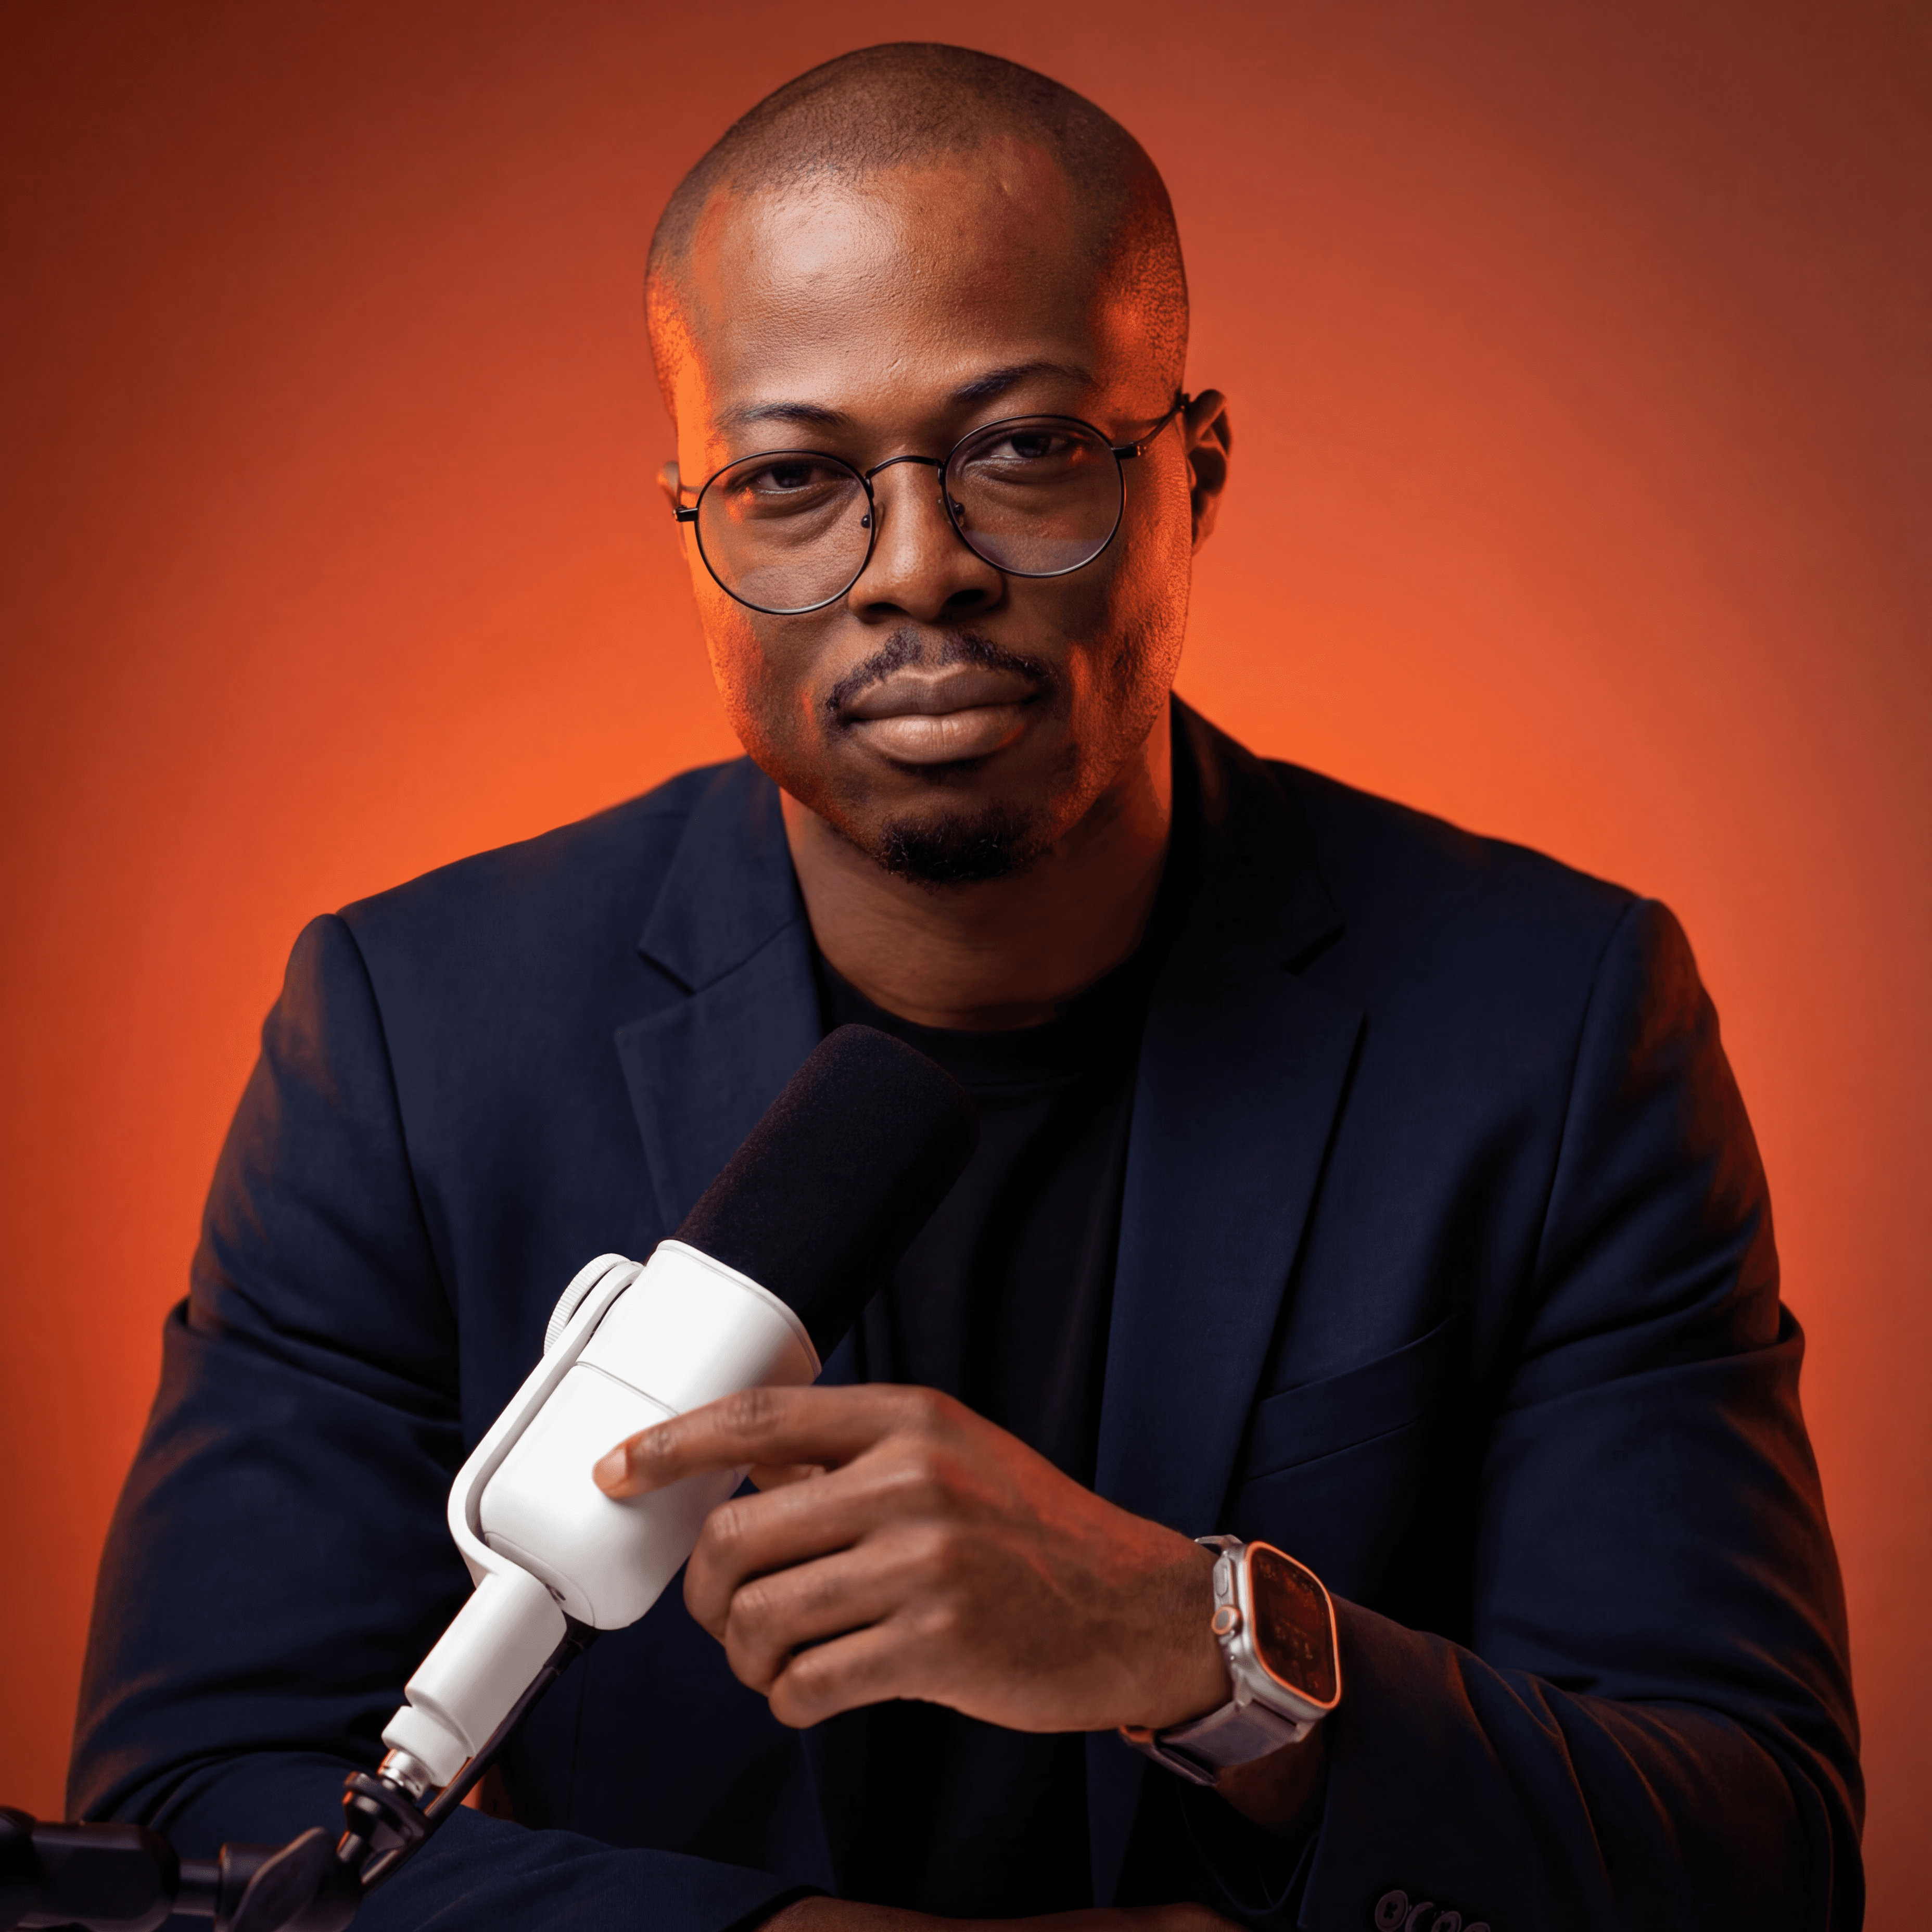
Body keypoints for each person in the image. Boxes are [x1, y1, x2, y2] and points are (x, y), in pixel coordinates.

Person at [69, 42, 1860, 1932]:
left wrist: (1202, 1643)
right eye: (792, 477)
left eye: (1022, 449)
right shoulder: (411, 1035)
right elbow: (206, 1819)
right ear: (689, 530)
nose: (917, 567)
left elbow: (1755, 1852)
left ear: (1198, 476)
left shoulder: (1560, 1026)